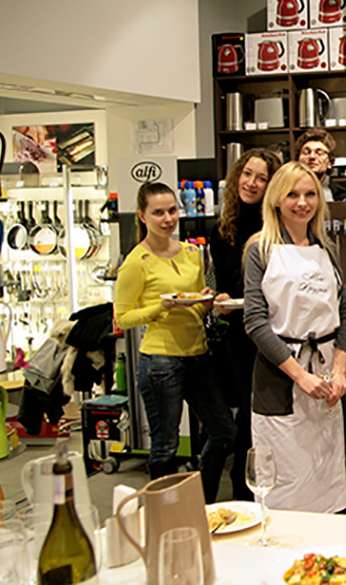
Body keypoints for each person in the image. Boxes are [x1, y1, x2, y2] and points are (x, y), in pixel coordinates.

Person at [114, 182, 236, 502]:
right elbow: (123, 317)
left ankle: (201, 501)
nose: (167, 218)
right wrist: (160, 307)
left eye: (172, 210)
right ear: (142, 216)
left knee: (224, 432)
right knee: (165, 443)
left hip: (199, 354)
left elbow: (196, 299)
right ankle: (164, 511)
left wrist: (209, 300)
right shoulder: (135, 262)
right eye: (158, 213)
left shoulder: (192, 253)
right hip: (160, 360)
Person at [241, 161, 346, 513]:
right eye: (292, 194)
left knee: (325, 478)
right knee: (284, 485)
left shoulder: (327, 248)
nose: (302, 202)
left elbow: (344, 313)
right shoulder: (259, 250)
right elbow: (256, 323)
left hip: (324, 383)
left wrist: (339, 371)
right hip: (280, 382)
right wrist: (300, 375)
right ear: (276, 200)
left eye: (309, 194)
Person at [207, 147, 280, 500]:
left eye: (261, 177)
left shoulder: (275, 229)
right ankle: (243, 487)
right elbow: (225, 286)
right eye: (247, 174)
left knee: (262, 414)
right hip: (239, 336)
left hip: (273, 332)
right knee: (249, 414)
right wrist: (218, 300)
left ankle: (257, 484)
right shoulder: (221, 231)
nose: (251, 182)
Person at [295, 128, 346, 201]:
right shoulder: (285, 192)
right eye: (306, 152)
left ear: (330, 163)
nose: (312, 156)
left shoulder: (342, 198)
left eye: (319, 152)